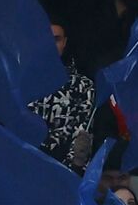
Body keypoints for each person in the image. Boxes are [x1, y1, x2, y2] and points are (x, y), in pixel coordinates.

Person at [29, 21, 97, 172]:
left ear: (65, 42)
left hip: (60, 171)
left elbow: (82, 132)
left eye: (56, 39)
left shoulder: (82, 85)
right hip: (20, 160)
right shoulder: (21, 79)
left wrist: (70, 170)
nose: (51, 45)